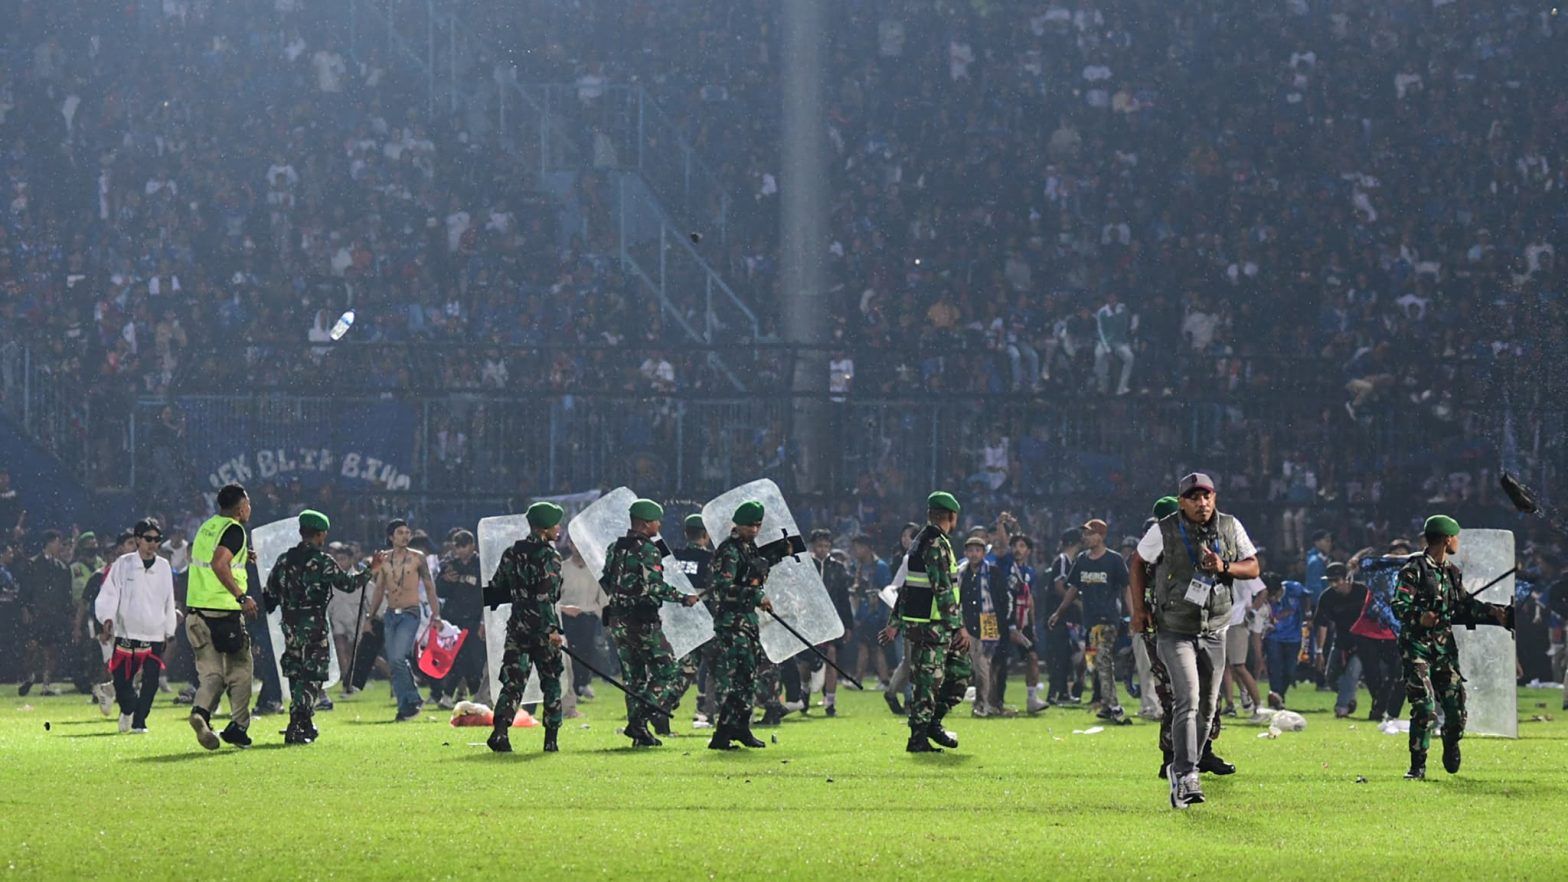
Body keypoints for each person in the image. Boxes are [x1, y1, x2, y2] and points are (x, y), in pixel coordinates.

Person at [1129, 473, 1259, 809]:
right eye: (1193, 497)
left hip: (1215, 627)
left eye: (1206, 496)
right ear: (1182, 500)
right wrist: (1139, 609)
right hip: (1175, 627)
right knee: (1187, 697)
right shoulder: (1165, 529)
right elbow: (1137, 562)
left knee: (1208, 706)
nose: (1201, 503)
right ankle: (1186, 774)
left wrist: (1225, 566)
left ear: (1214, 497)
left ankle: (1187, 763)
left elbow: (1254, 567)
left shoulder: (1231, 526)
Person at [1393, 515, 1512, 780]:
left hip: (1444, 650)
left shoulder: (1451, 572)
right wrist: (1420, 617)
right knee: (1424, 707)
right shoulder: (1414, 569)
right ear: (1447, 539)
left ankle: (1450, 742)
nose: (1458, 541)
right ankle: (1417, 766)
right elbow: (1398, 606)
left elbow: (1463, 606)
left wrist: (1495, 613)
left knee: (1456, 709)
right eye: (1455, 536)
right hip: (1417, 647)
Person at [265, 510, 384, 744]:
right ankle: (296, 724)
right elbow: (349, 585)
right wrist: (372, 569)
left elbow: (270, 592)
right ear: (320, 535)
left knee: (296, 672)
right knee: (312, 675)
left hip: (289, 624)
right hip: (313, 625)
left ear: (301, 532)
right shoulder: (322, 561)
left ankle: (305, 722)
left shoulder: (283, 560)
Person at [602, 498, 701, 747]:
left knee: (634, 678)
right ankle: (638, 722)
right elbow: (654, 586)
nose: (659, 524)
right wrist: (682, 597)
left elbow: (606, 581)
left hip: (617, 621)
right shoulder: (648, 550)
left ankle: (641, 734)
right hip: (642, 622)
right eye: (657, 520)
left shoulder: (615, 547)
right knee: (668, 670)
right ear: (646, 523)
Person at [882, 491, 972, 753]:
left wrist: (894, 622)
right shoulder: (933, 543)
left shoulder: (928, 542)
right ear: (952, 516)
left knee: (958, 673)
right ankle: (918, 737)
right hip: (930, 627)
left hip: (936, 626)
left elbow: (909, 587)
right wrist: (959, 626)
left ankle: (932, 723)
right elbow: (942, 589)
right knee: (927, 684)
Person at [487, 502, 568, 753]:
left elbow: (497, 588)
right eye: (555, 524)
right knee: (551, 681)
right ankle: (550, 740)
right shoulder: (551, 557)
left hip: (518, 628)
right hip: (543, 630)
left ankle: (500, 732)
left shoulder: (512, 552)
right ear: (544, 528)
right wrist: (552, 631)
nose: (559, 528)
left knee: (513, 682)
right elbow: (546, 598)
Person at [185, 483, 260, 750]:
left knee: (212, 675)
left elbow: (212, 558)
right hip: (223, 613)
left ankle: (200, 713)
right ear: (240, 508)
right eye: (248, 503)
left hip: (195, 613)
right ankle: (238, 727)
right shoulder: (235, 530)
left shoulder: (208, 527)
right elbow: (219, 563)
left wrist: (242, 555)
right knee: (241, 670)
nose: (250, 508)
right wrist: (242, 596)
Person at [95, 518, 177, 734]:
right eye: (148, 539)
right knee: (122, 681)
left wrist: (170, 630)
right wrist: (107, 618)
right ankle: (129, 710)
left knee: (151, 682)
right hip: (127, 632)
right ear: (138, 539)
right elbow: (110, 593)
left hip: (155, 633)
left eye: (157, 539)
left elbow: (169, 599)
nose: (153, 543)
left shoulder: (164, 567)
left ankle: (140, 721)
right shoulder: (123, 564)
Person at [707, 500, 773, 750]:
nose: (754, 530)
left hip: (747, 620)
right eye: (750, 526)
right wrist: (756, 596)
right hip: (731, 622)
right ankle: (723, 734)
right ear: (738, 525)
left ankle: (742, 728)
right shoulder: (730, 551)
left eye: (758, 525)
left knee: (749, 677)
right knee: (739, 680)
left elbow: (754, 579)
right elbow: (723, 589)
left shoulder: (750, 549)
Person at [1052, 518, 1132, 724]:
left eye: (1089, 533)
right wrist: (1059, 612)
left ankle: (1114, 706)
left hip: (1108, 620)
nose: (1085, 537)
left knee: (1103, 659)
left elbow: (1126, 589)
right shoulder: (1082, 560)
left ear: (1101, 536)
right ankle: (1106, 705)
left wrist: (1133, 616)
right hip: (1089, 621)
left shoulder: (1114, 560)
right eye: (1085, 534)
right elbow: (1073, 588)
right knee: (1096, 663)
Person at [364, 519, 442, 722]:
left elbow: (430, 587)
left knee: (398, 658)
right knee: (394, 661)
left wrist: (437, 615)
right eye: (400, 532)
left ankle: (413, 698)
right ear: (391, 537)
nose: (405, 536)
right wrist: (370, 617)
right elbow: (380, 589)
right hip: (391, 613)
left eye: (407, 532)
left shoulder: (418, 557)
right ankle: (404, 706)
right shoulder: (384, 559)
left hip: (411, 612)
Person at [957, 535, 1010, 717]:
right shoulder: (960, 573)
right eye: (970, 550)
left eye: (977, 550)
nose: (973, 554)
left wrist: (1003, 623)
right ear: (965, 553)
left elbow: (1003, 600)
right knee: (969, 666)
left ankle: (982, 703)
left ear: (983, 553)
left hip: (989, 621)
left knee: (983, 665)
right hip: (966, 622)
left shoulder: (993, 573)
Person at [671, 514, 716, 721]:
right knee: (717, 667)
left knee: (685, 670)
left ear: (686, 533)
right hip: (706, 622)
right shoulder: (711, 560)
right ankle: (716, 712)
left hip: (679, 622)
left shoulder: (674, 558)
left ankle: (662, 707)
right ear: (706, 535)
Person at [849, 535, 900, 713]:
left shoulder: (880, 566)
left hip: (877, 614)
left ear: (868, 547)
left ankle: (882, 680)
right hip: (863, 613)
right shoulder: (858, 566)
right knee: (865, 646)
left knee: (875, 648)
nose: (856, 551)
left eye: (858, 547)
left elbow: (888, 590)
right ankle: (862, 679)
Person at [807, 528, 855, 716]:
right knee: (806, 660)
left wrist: (848, 625)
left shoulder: (838, 568)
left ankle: (830, 702)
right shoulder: (805, 565)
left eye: (826, 546)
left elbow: (843, 598)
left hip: (831, 619)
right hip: (809, 620)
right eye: (819, 545)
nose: (823, 549)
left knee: (831, 657)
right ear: (813, 546)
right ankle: (804, 691)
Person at [434, 530, 484, 709]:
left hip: (474, 619)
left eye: (464, 546)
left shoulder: (481, 565)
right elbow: (439, 591)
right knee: (458, 658)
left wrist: (484, 621)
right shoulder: (450, 565)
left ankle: (453, 695)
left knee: (474, 659)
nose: (461, 550)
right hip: (454, 620)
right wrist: (446, 580)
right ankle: (473, 694)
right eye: (458, 546)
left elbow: (487, 593)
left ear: (473, 545)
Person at [18, 530, 71, 697]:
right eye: (58, 543)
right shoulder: (32, 564)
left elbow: (65, 594)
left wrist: (65, 614)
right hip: (37, 614)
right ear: (49, 542)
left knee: (51, 650)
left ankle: (46, 685)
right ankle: (30, 676)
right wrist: (25, 609)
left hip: (54, 616)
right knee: (31, 647)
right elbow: (25, 590)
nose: (60, 546)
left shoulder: (62, 568)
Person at [1313, 562, 1368, 718]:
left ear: (1347, 578)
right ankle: (1349, 697)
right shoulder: (1327, 597)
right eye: (1330, 581)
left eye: (1336, 580)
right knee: (1331, 678)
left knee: (1352, 672)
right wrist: (1319, 651)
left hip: (1362, 640)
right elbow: (1322, 624)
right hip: (1341, 640)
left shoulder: (1362, 592)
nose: (1333, 584)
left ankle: (1342, 707)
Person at [1044, 528, 1083, 707]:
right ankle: (1054, 694)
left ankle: (1063, 693)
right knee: (1058, 656)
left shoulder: (1070, 561)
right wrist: (1075, 602)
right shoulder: (1062, 560)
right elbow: (1059, 586)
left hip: (1063, 616)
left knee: (1065, 655)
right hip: (1057, 616)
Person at [1262, 576, 1310, 709]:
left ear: (1279, 590)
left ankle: (1279, 695)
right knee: (1275, 668)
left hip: (1293, 636)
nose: (1271, 597)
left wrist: (1308, 614)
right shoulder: (1264, 596)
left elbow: (1306, 596)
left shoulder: (1293, 587)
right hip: (1274, 636)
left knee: (1290, 670)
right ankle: (1276, 696)